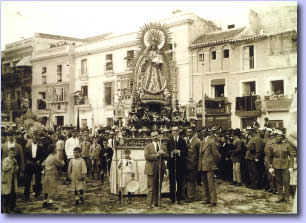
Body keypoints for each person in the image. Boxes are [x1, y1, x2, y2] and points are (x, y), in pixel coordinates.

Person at [267, 129, 294, 203]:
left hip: (286, 165)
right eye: (277, 136)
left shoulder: (287, 145)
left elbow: (291, 155)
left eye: (280, 136)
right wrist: (270, 167)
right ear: (275, 137)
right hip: (276, 165)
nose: (279, 137)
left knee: (286, 181)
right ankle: (280, 197)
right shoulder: (271, 146)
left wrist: (291, 166)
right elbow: (269, 157)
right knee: (278, 182)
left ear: (282, 137)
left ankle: (287, 197)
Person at [144, 131, 168, 208]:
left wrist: (163, 153)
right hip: (151, 168)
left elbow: (167, 156)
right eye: (153, 136)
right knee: (151, 187)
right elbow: (147, 156)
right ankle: (149, 204)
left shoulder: (163, 146)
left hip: (160, 168)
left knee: (158, 186)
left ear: (159, 136)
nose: (155, 137)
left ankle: (157, 202)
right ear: (151, 137)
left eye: (156, 135)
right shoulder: (148, 146)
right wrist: (157, 155)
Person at [198, 129, 221, 207]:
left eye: (204, 132)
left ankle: (213, 201)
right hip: (203, 166)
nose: (203, 133)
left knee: (211, 184)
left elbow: (216, 155)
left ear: (207, 133)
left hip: (210, 166)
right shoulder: (202, 142)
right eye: (202, 132)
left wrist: (214, 164)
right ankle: (207, 199)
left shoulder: (211, 141)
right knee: (205, 184)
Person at [166, 126, 187, 205]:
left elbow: (185, 152)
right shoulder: (169, 141)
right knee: (172, 181)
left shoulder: (183, 141)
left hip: (180, 164)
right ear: (171, 132)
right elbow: (168, 152)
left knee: (180, 181)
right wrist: (171, 153)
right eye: (173, 131)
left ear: (178, 131)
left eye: (176, 130)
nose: (174, 132)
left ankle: (179, 198)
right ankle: (172, 198)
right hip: (172, 164)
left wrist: (178, 152)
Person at [23, 133, 46, 201]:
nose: (35, 140)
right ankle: (26, 195)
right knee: (28, 180)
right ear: (32, 139)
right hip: (30, 164)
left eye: (36, 139)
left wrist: (40, 160)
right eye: (34, 138)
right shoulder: (28, 147)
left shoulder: (40, 147)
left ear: (38, 140)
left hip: (37, 164)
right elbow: (25, 156)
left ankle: (37, 194)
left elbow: (43, 156)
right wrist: (27, 161)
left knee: (38, 180)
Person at [185, 128, 200, 203]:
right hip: (186, 164)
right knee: (187, 180)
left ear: (193, 133)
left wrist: (198, 164)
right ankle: (188, 195)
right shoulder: (186, 140)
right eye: (188, 132)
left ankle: (191, 197)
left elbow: (199, 154)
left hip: (193, 164)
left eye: (190, 132)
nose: (189, 133)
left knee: (192, 181)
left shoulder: (197, 141)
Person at [1, 148, 19, 213]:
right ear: (8, 153)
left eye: (13, 153)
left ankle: (11, 207)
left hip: (13, 179)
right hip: (6, 179)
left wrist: (16, 168)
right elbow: (4, 168)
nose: (12, 154)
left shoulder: (14, 160)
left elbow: (16, 168)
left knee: (12, 193)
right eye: (11, 153)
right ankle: (4, 208)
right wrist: (11, 166)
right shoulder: (5, 160)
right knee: (5, 194)